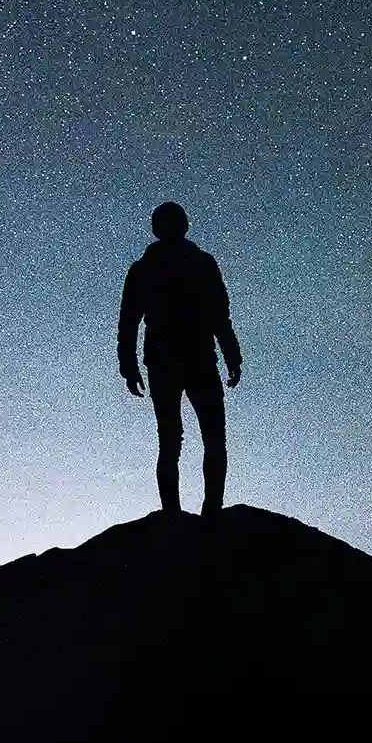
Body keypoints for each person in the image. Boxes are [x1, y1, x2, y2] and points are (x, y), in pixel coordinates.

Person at [117, 201, 243, 516]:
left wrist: (232, 355)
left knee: (184, 440)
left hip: (181, 360)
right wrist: (128, 364)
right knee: (192, 439)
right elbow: (129, 320)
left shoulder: (158, 267)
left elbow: (219, 315)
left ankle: (198, 510)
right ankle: (196, 510)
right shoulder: (193, 264)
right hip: (181, 360)